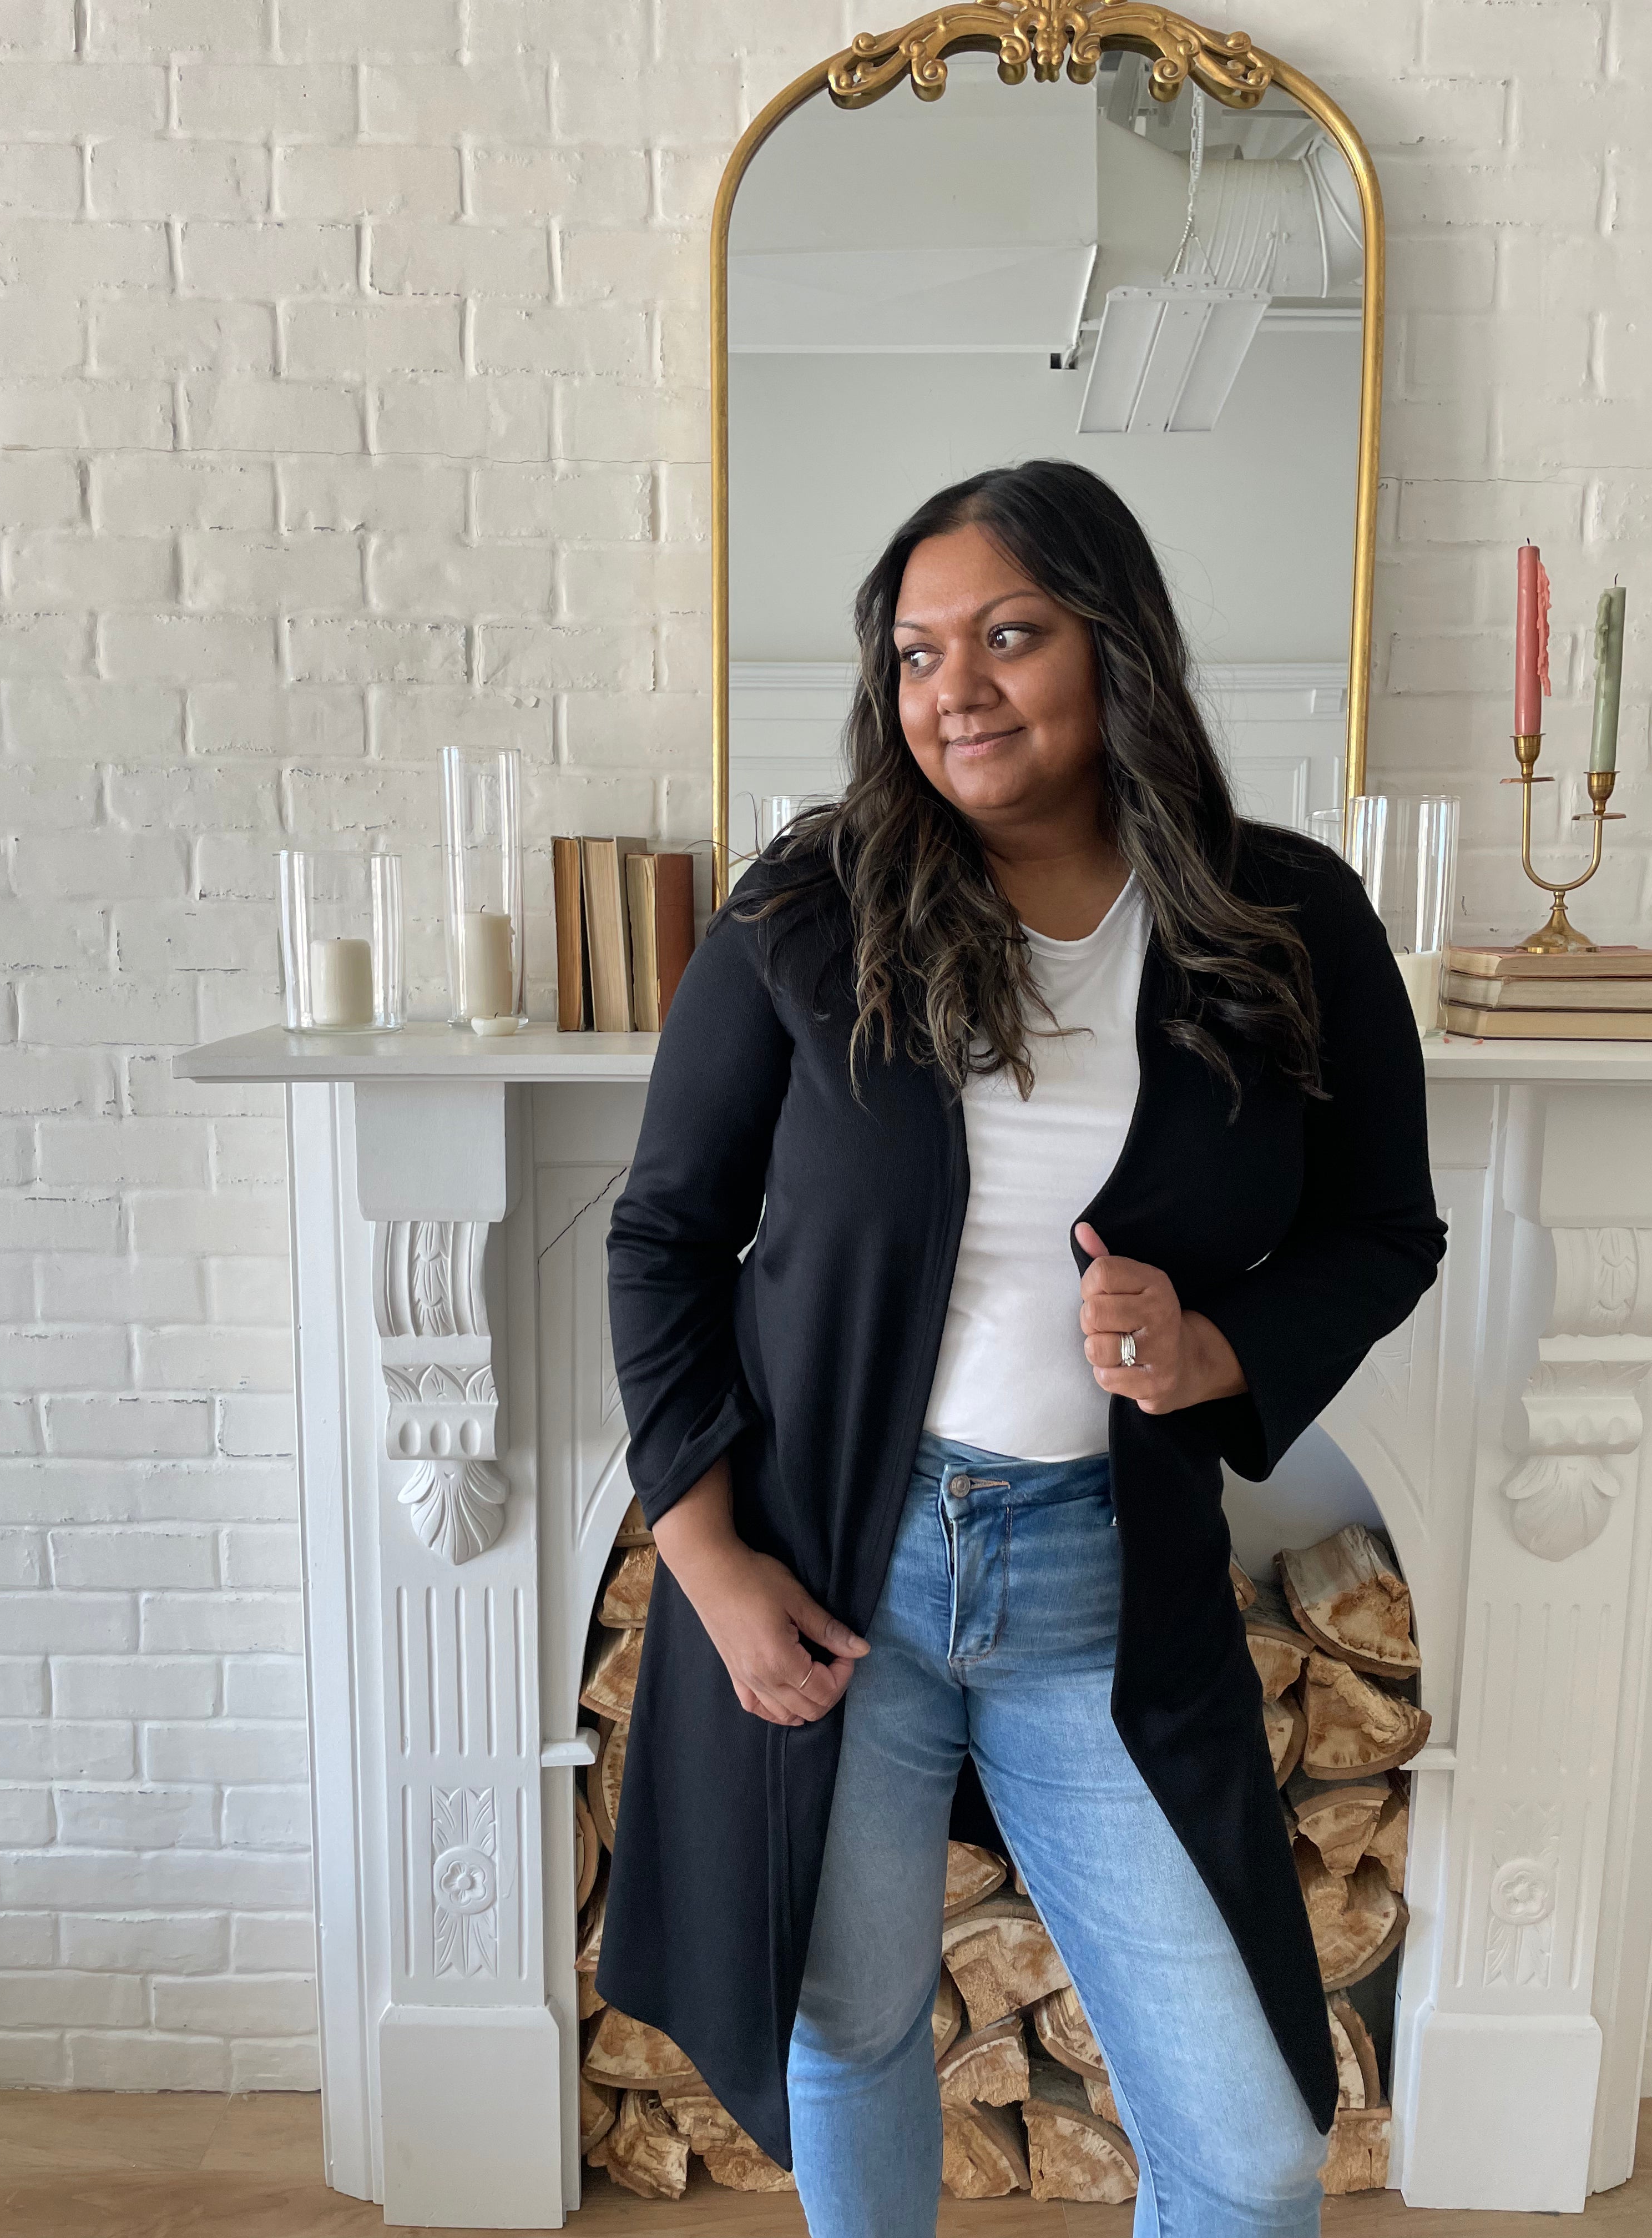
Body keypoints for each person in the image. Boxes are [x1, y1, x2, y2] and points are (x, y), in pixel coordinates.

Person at [597, 459, 1446, 2237]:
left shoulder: (1285, 919)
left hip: (1101, 1583)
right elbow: (665, 1236)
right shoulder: (807, 917)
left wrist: (1212, 1346)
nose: (950, 689)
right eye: (912, 653)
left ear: (1116, 644)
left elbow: (1386, 1230)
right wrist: (709, 1559)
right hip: (840, 1566)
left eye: (1005, 636)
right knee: (855, 2026)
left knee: (1253, 2148)